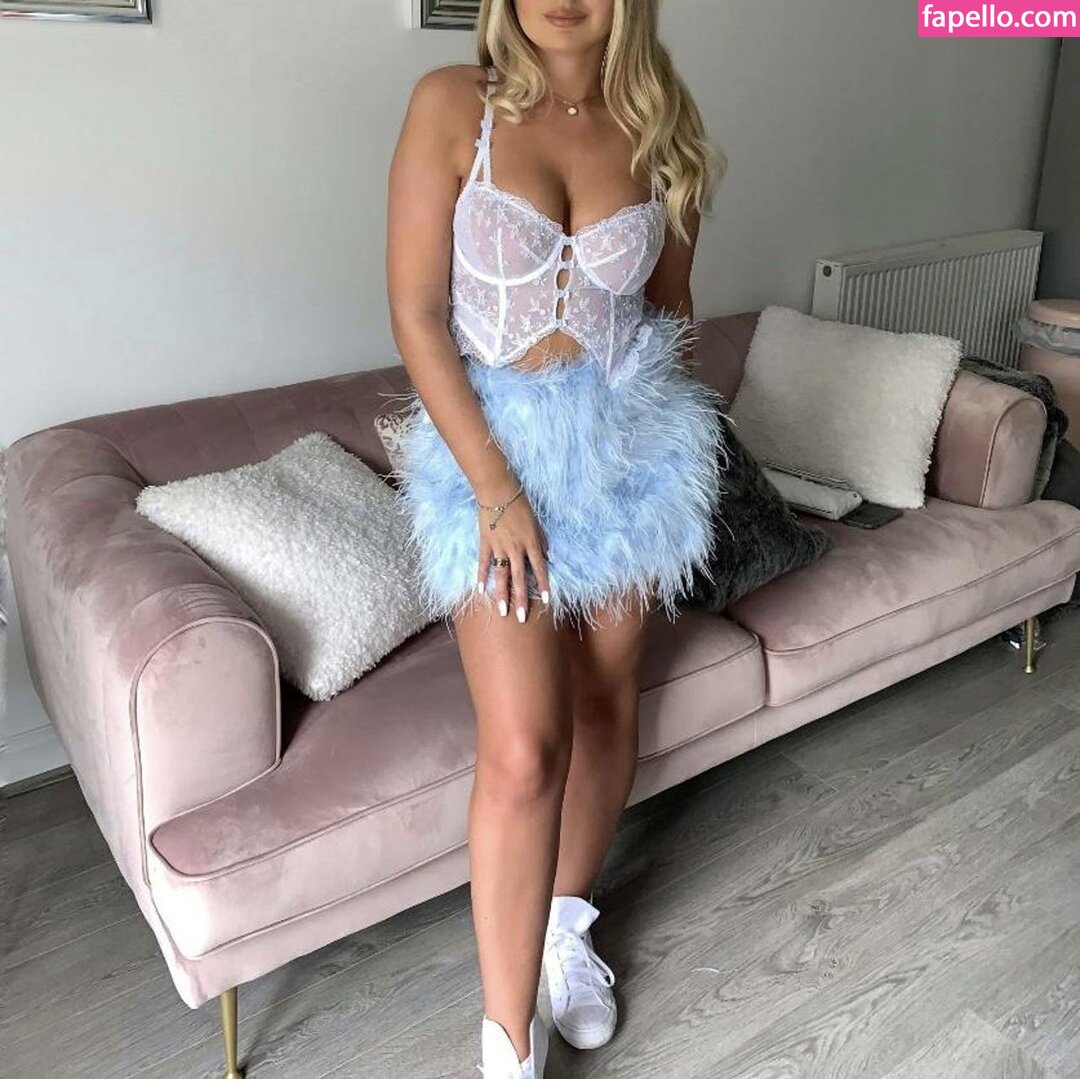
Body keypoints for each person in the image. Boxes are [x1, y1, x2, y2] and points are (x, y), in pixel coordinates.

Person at [386, 2, 730, 1075]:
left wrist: (660, 434)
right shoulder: (454, 104)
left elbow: (671, 307)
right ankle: (507, 1042)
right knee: (525, 746)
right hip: (493, 462)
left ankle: (566, 933)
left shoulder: (663, 123)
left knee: (606, 702)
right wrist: (496, 488)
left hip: (628, 453)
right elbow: (417, 313)